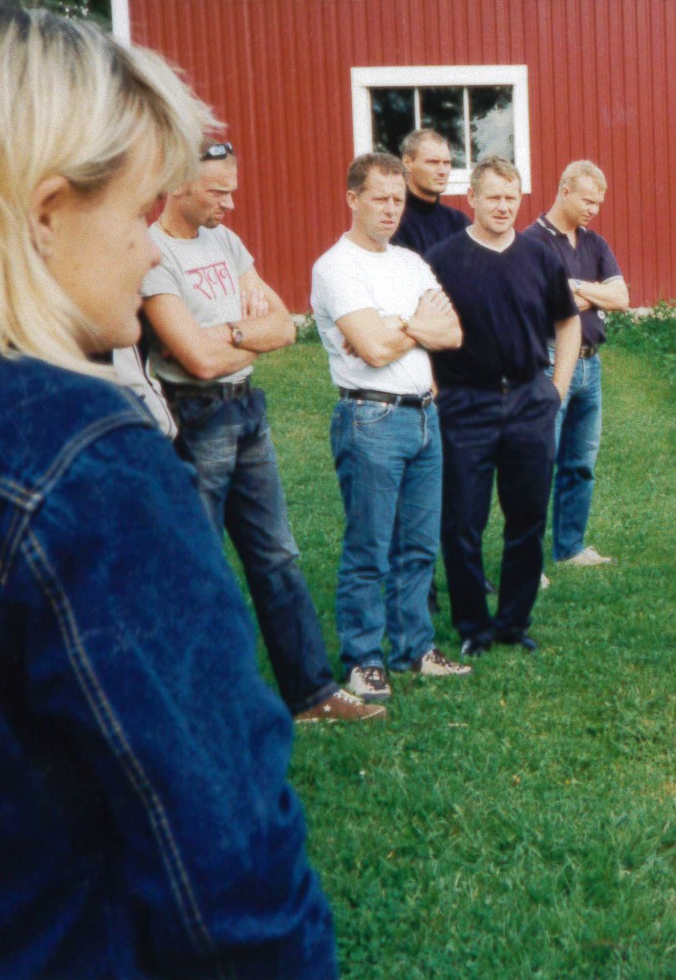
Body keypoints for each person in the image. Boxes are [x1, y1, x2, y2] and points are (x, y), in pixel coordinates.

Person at [0, 0, 335, 976]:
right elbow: (230, 881)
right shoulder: (77, 457)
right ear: (45, 211)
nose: (154, 247)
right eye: (141, 209)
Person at [142, 141, 382, 724]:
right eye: (216, 190)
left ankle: (313, 694)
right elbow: (194, 360)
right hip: (194, 419)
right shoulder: (151, 253)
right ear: (176, 185)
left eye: (233, 187)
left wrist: (225, 333)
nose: (231, 200)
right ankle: (196, 705)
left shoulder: (226, 241)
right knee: (197, 563)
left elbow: (285, 327)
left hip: (246, 410)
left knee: (277, 556)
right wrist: (242, 332)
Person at [311, 152, 470, 704]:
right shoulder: (335, 267)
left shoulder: (408, 262)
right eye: (378, 197)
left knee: (419, 545)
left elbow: (450, 332)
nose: (390, 209)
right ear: (352, 198)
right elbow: (373, 350)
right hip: (370, 415)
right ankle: (363, 659)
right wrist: (412, 327)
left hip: (425, 415)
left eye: (398, 199)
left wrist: (397, 327)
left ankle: (414, 648)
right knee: (369, 547)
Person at [428, 156, 580, 657]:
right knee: (462, 522)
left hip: (529, 400)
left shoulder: (540, 257)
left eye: (511, 198)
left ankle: (514, 623)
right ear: (470, 198)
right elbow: (423, 330)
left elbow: (567, 322)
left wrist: (556, 388)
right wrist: (435, 389)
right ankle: (474, 627)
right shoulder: (442, 259)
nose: (502, 207)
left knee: (527, 518)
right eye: (492, 197)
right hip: (464, 403)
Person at [531, 160, 630, 568]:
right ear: (565, 190)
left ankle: (570, 548)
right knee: (539, 462)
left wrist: (572, 287)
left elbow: (622, 298)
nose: (594, 209)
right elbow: (542, 306)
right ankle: (528, 561)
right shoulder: (532, 243)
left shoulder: (594, 243)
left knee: (581, 462)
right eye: (587, 200)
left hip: (592, 366)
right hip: (550, 362)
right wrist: (591, 293)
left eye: (599, 203)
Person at [393, 128, 470, 260]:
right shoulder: (393, 220)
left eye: (447, 163)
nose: (442, 171)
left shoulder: (457, 221)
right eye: (433, 162)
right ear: (408, 163)